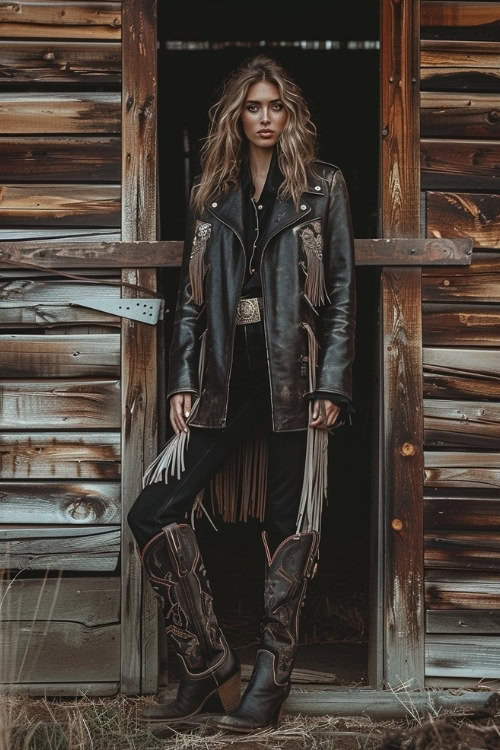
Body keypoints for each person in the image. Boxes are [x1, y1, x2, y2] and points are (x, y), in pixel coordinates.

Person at [127, 55, 356, 733]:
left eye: (275, 107)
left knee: (284, 525)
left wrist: (332, 381)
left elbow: (342, 295)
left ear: (291, 115)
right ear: (237, 115)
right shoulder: (212, 193)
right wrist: (183, 377)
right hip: (228, 371)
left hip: (293, 370)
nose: (264, 118)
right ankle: (206, 668)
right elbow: (192, 301)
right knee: (154, 507)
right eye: (253, 107)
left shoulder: (324, 187)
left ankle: (269, 682)